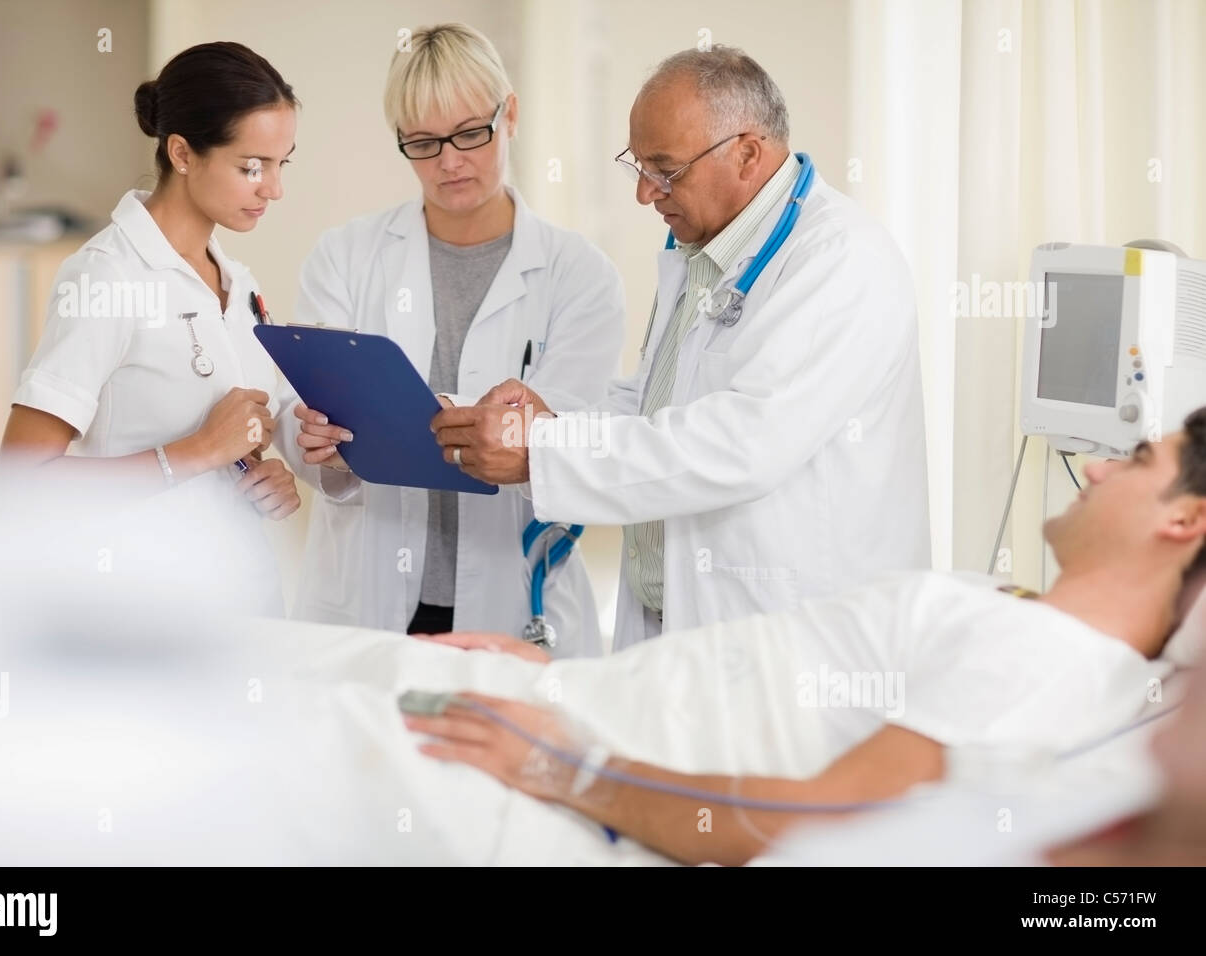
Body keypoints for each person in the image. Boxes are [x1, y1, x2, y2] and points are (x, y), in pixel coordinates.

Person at [299, 410, 1206, 865]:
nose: (1094, 461)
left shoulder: (1053, 663)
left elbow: (819, 820)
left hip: (557, 782)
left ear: (1187, 520)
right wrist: (566, 676)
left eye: (1136, 460)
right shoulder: (1015, 613)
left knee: (224, 741)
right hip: (559, 708)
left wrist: (567, 768)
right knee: (252, 669)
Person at [430, 46, 930, 650]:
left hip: (796, 644)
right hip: (683, 633)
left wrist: (542, 448)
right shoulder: (704, 253)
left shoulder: (840, 260)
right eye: (637, 166)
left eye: (664, 169)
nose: (645, 194)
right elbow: (653, 405)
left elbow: (742, 444)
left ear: (747, 153)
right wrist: (522, 423)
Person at [278, 24, 625, 655]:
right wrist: (311, 437)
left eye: (471, 132)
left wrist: (514, 440)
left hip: (512, 597)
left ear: (510, 115)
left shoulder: (579, 274)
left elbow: (577, 441)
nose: (449, 161)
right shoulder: (345, 257)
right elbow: (299, 416)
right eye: (423, 142)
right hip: (368, 599)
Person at [0, 42, 301, 614]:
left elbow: (247, 439)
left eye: (284, 163)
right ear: (182, 153)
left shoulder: (239, 284)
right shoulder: (107, 276)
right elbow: (19, 486)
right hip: (138, 609)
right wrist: (197, 451)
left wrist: (264, 479)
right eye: (252, 166)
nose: (274, 188)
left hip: (242, 603)